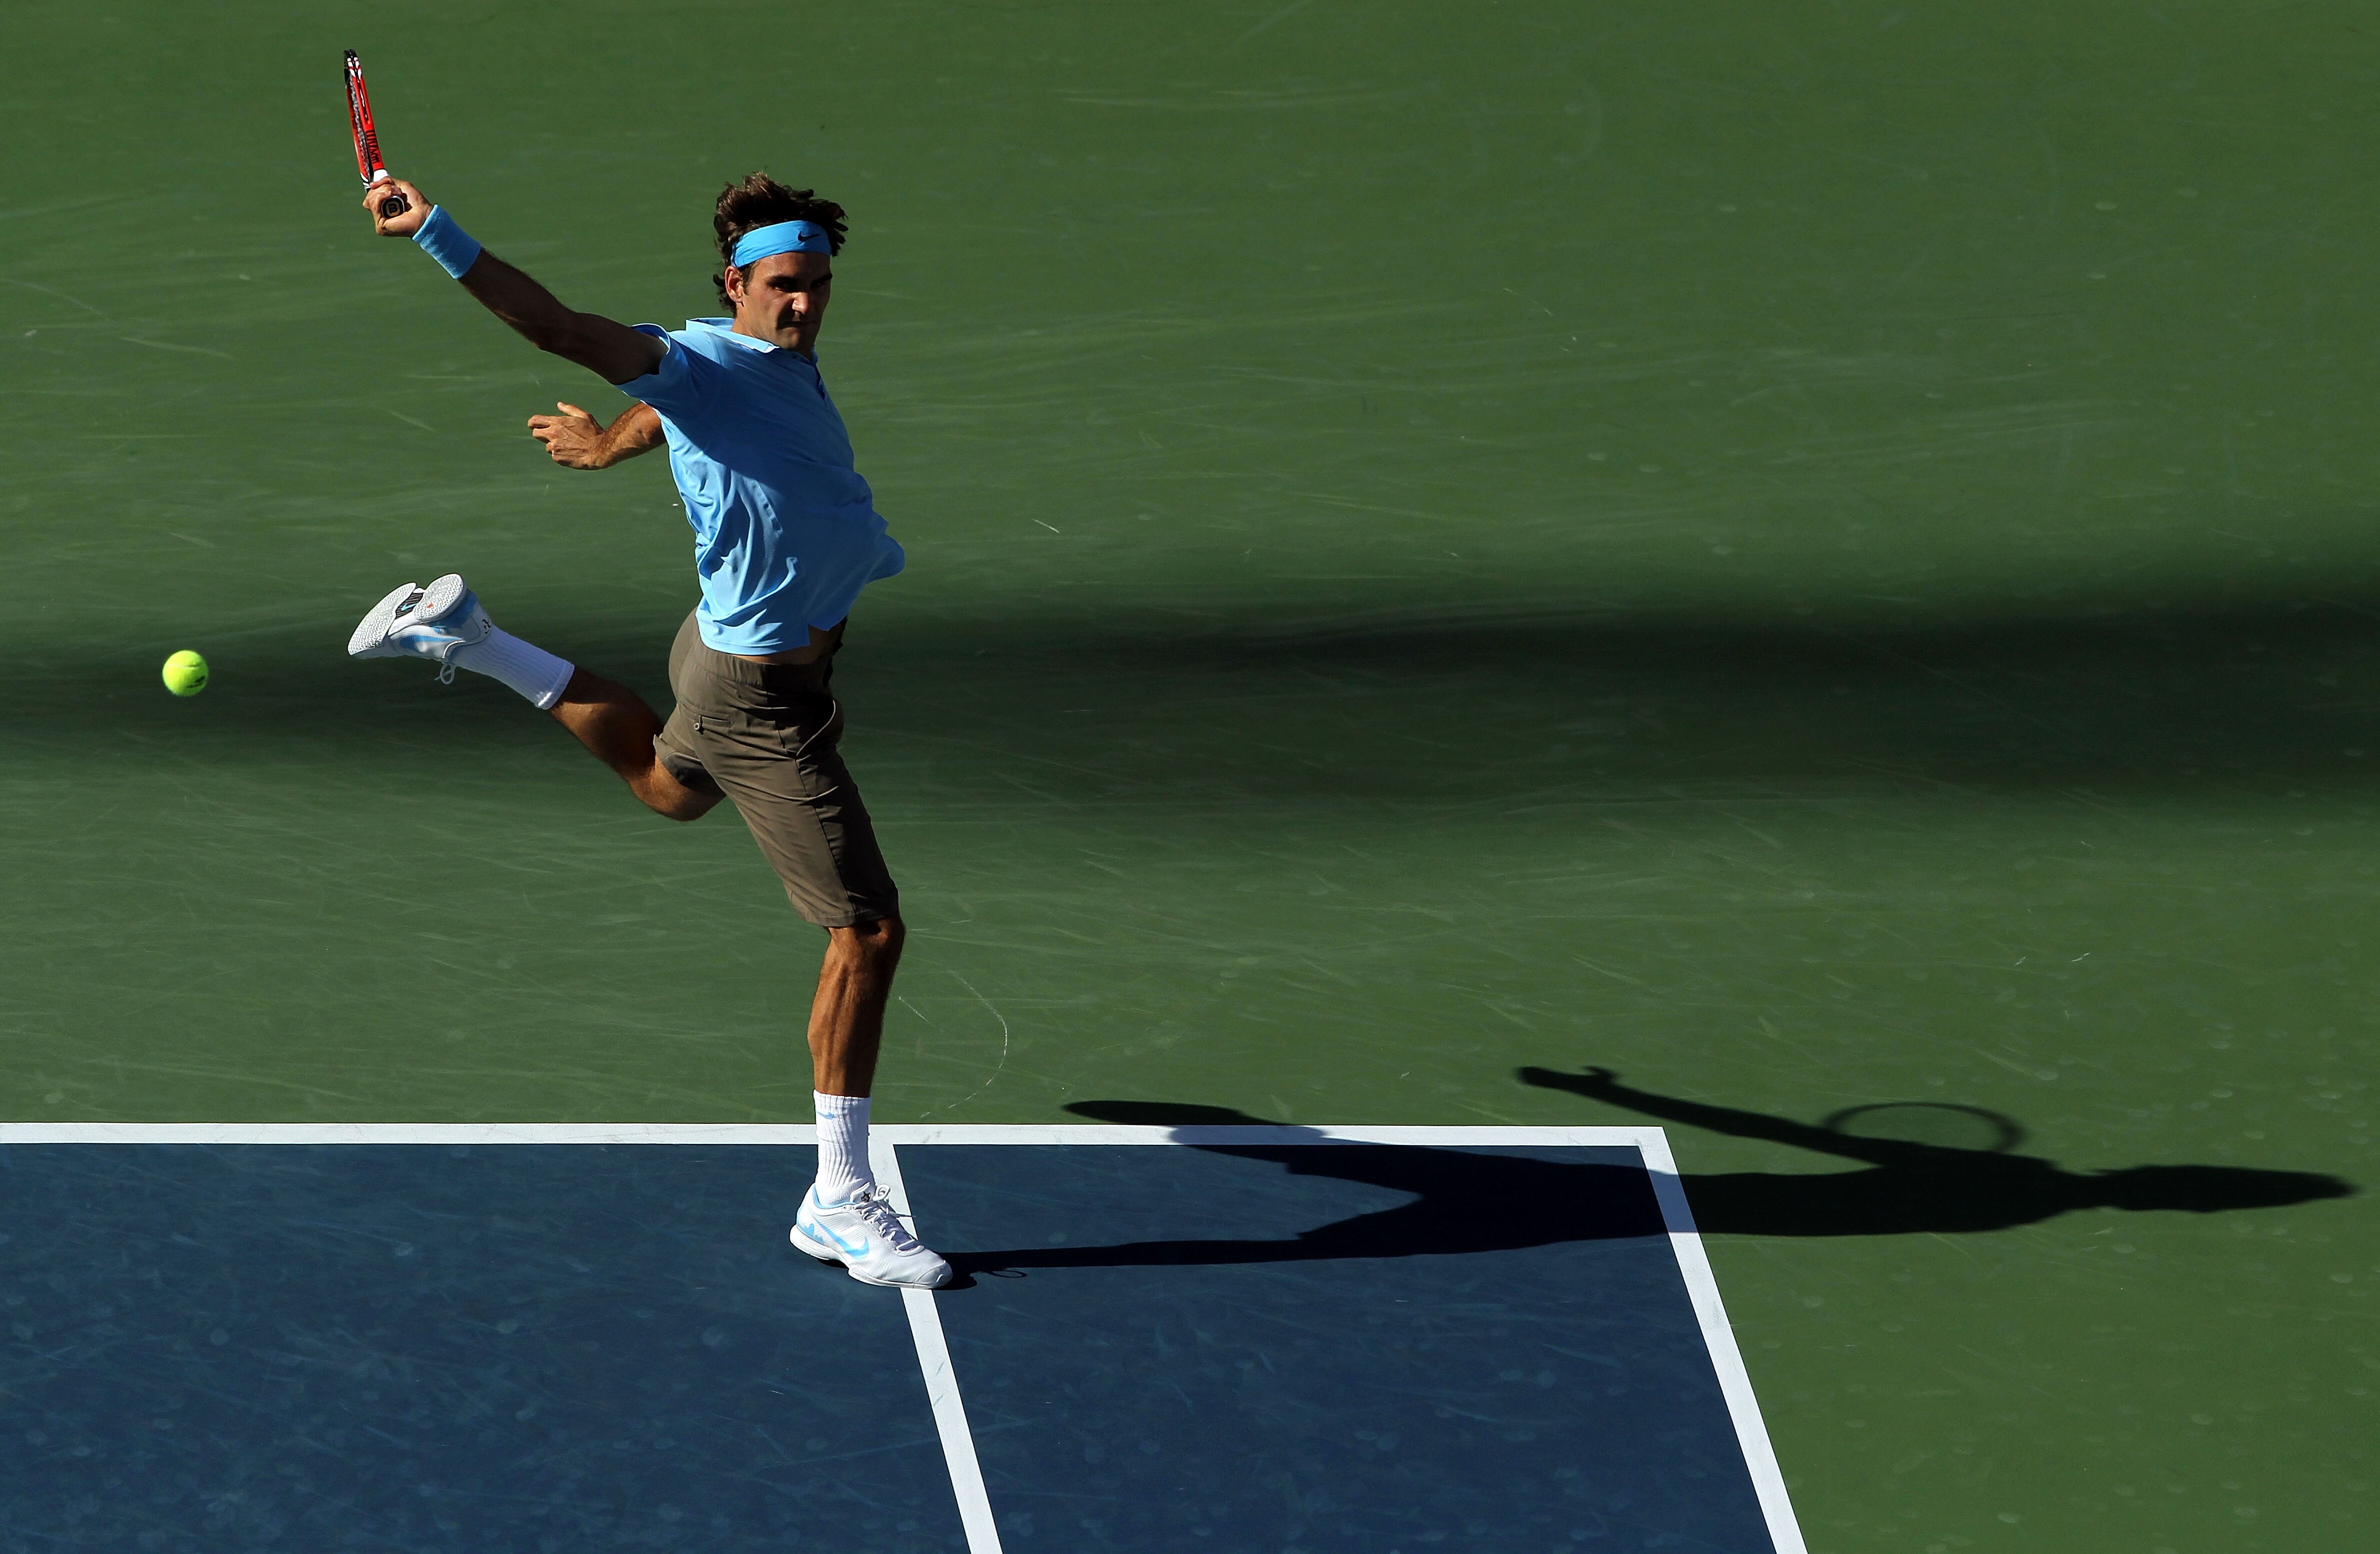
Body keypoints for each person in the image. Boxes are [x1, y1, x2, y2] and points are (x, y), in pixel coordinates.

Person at [344, 172, 949, 1290]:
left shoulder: (752, 358)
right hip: (760, 697)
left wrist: (608, 447)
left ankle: (473, 640)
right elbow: (565, 329)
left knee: (670, 790)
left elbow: (675, 406)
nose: (805, 304)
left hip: (726, 661)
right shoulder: (711, 357)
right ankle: (840, 1197)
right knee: (866, 933)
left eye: (817, 285)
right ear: (735, 284)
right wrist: (435, 230)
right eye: (783, 287)